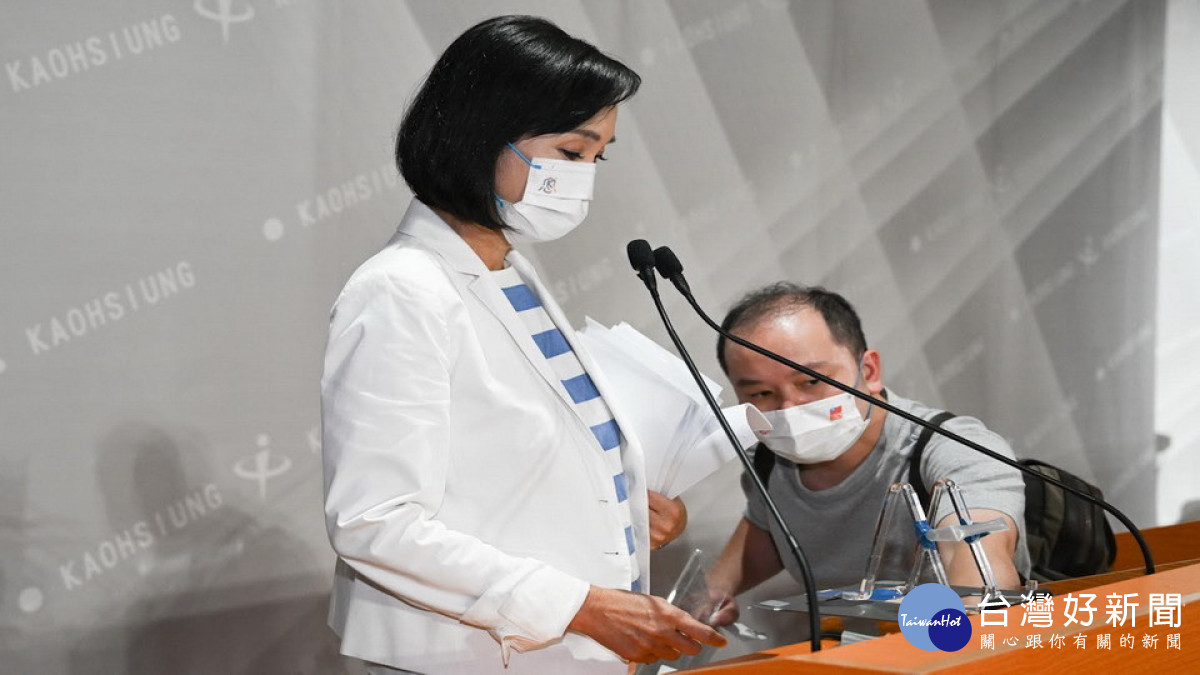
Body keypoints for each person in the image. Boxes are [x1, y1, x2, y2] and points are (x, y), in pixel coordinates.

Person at [320, 15, 724, 675]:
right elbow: (376, 522)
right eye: (572, 152)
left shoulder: (510, 275)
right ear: (481, 135)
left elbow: (513, 473)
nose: (585, 177)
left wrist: (629, 511)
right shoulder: (401, 290)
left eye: (599, 157)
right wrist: (581, 607)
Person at [707, 283, 1030, 627]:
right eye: (761, 393)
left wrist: (969, 620)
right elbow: (770, 530)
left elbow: (977, 562)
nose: (789, 408)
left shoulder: (954, 448)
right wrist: (707, 596)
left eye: (811, 381)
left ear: (870, 371)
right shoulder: (767, 462)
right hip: (853, 645)